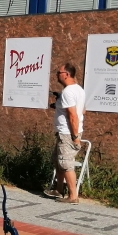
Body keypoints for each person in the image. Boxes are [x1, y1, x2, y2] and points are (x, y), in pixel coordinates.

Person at [44, 62, 85, 205]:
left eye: (59, 73)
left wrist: (74, 137)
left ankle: (73, 196)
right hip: (65, 132)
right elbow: (82, 110)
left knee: (66, 164)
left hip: (68, 134)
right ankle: (58, 189)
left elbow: (73, 115)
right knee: (58, 160)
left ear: (67, 74)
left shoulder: (68, 92)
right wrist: (57, 105)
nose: (56, 75)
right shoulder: (78, 89)